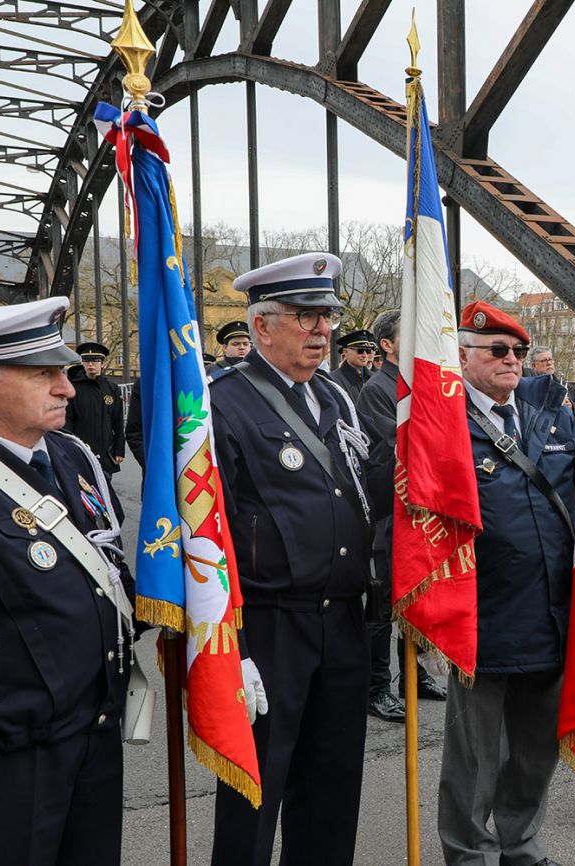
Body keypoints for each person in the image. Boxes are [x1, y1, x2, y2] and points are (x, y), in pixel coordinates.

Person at [0, 297, 134, 866]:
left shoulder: (71, 457)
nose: (67, 388)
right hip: (2, 763)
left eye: (65, 372)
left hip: (92, 740)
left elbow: (106, 568)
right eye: (43, 374)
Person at [208, 252, 380, 866]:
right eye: (306, 317)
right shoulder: (222, 403)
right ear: (261, 326)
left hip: (340, 619)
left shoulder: (336, 397)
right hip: (271, 624)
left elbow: (361, 490)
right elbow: (207, 533)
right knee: (256, 790)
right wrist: (237, 644)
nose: (323, 331)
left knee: (333, 788)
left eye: (328, 317)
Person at [437, 301, 575, 866]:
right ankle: (469, 853)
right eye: (498, 351)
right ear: (464, 357)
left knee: (534, 751)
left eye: (518, 352)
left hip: (551, 612)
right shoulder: (444, 425)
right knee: (474, 758)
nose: (512, 361)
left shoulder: (547, 411)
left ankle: (520, 845)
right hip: (480, 615)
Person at [354, 310, 447, 725]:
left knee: (418, 597)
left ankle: (418, 674)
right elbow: (402, 441)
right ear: (387, 346)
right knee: (385, 604)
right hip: (388, 511)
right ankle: (377, 686)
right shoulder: (377, 388)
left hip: (422, 508)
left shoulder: (420, 383)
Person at [65, 342, 125, 477]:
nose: (90, 364)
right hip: (81, 451)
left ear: (102, 364)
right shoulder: (73, 388)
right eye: (86, 361)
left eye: (95, 360)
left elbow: (117, 420)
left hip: (105, 452)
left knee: (106, 490)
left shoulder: (111, 388)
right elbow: (68, 420)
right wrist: (68, 447)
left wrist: (119, 449)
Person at [331, 329, 376, 400]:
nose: (365, 355)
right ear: (345, 352)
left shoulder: (374, 378)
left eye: (368, 351)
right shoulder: (333, 380)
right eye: (360, 351)